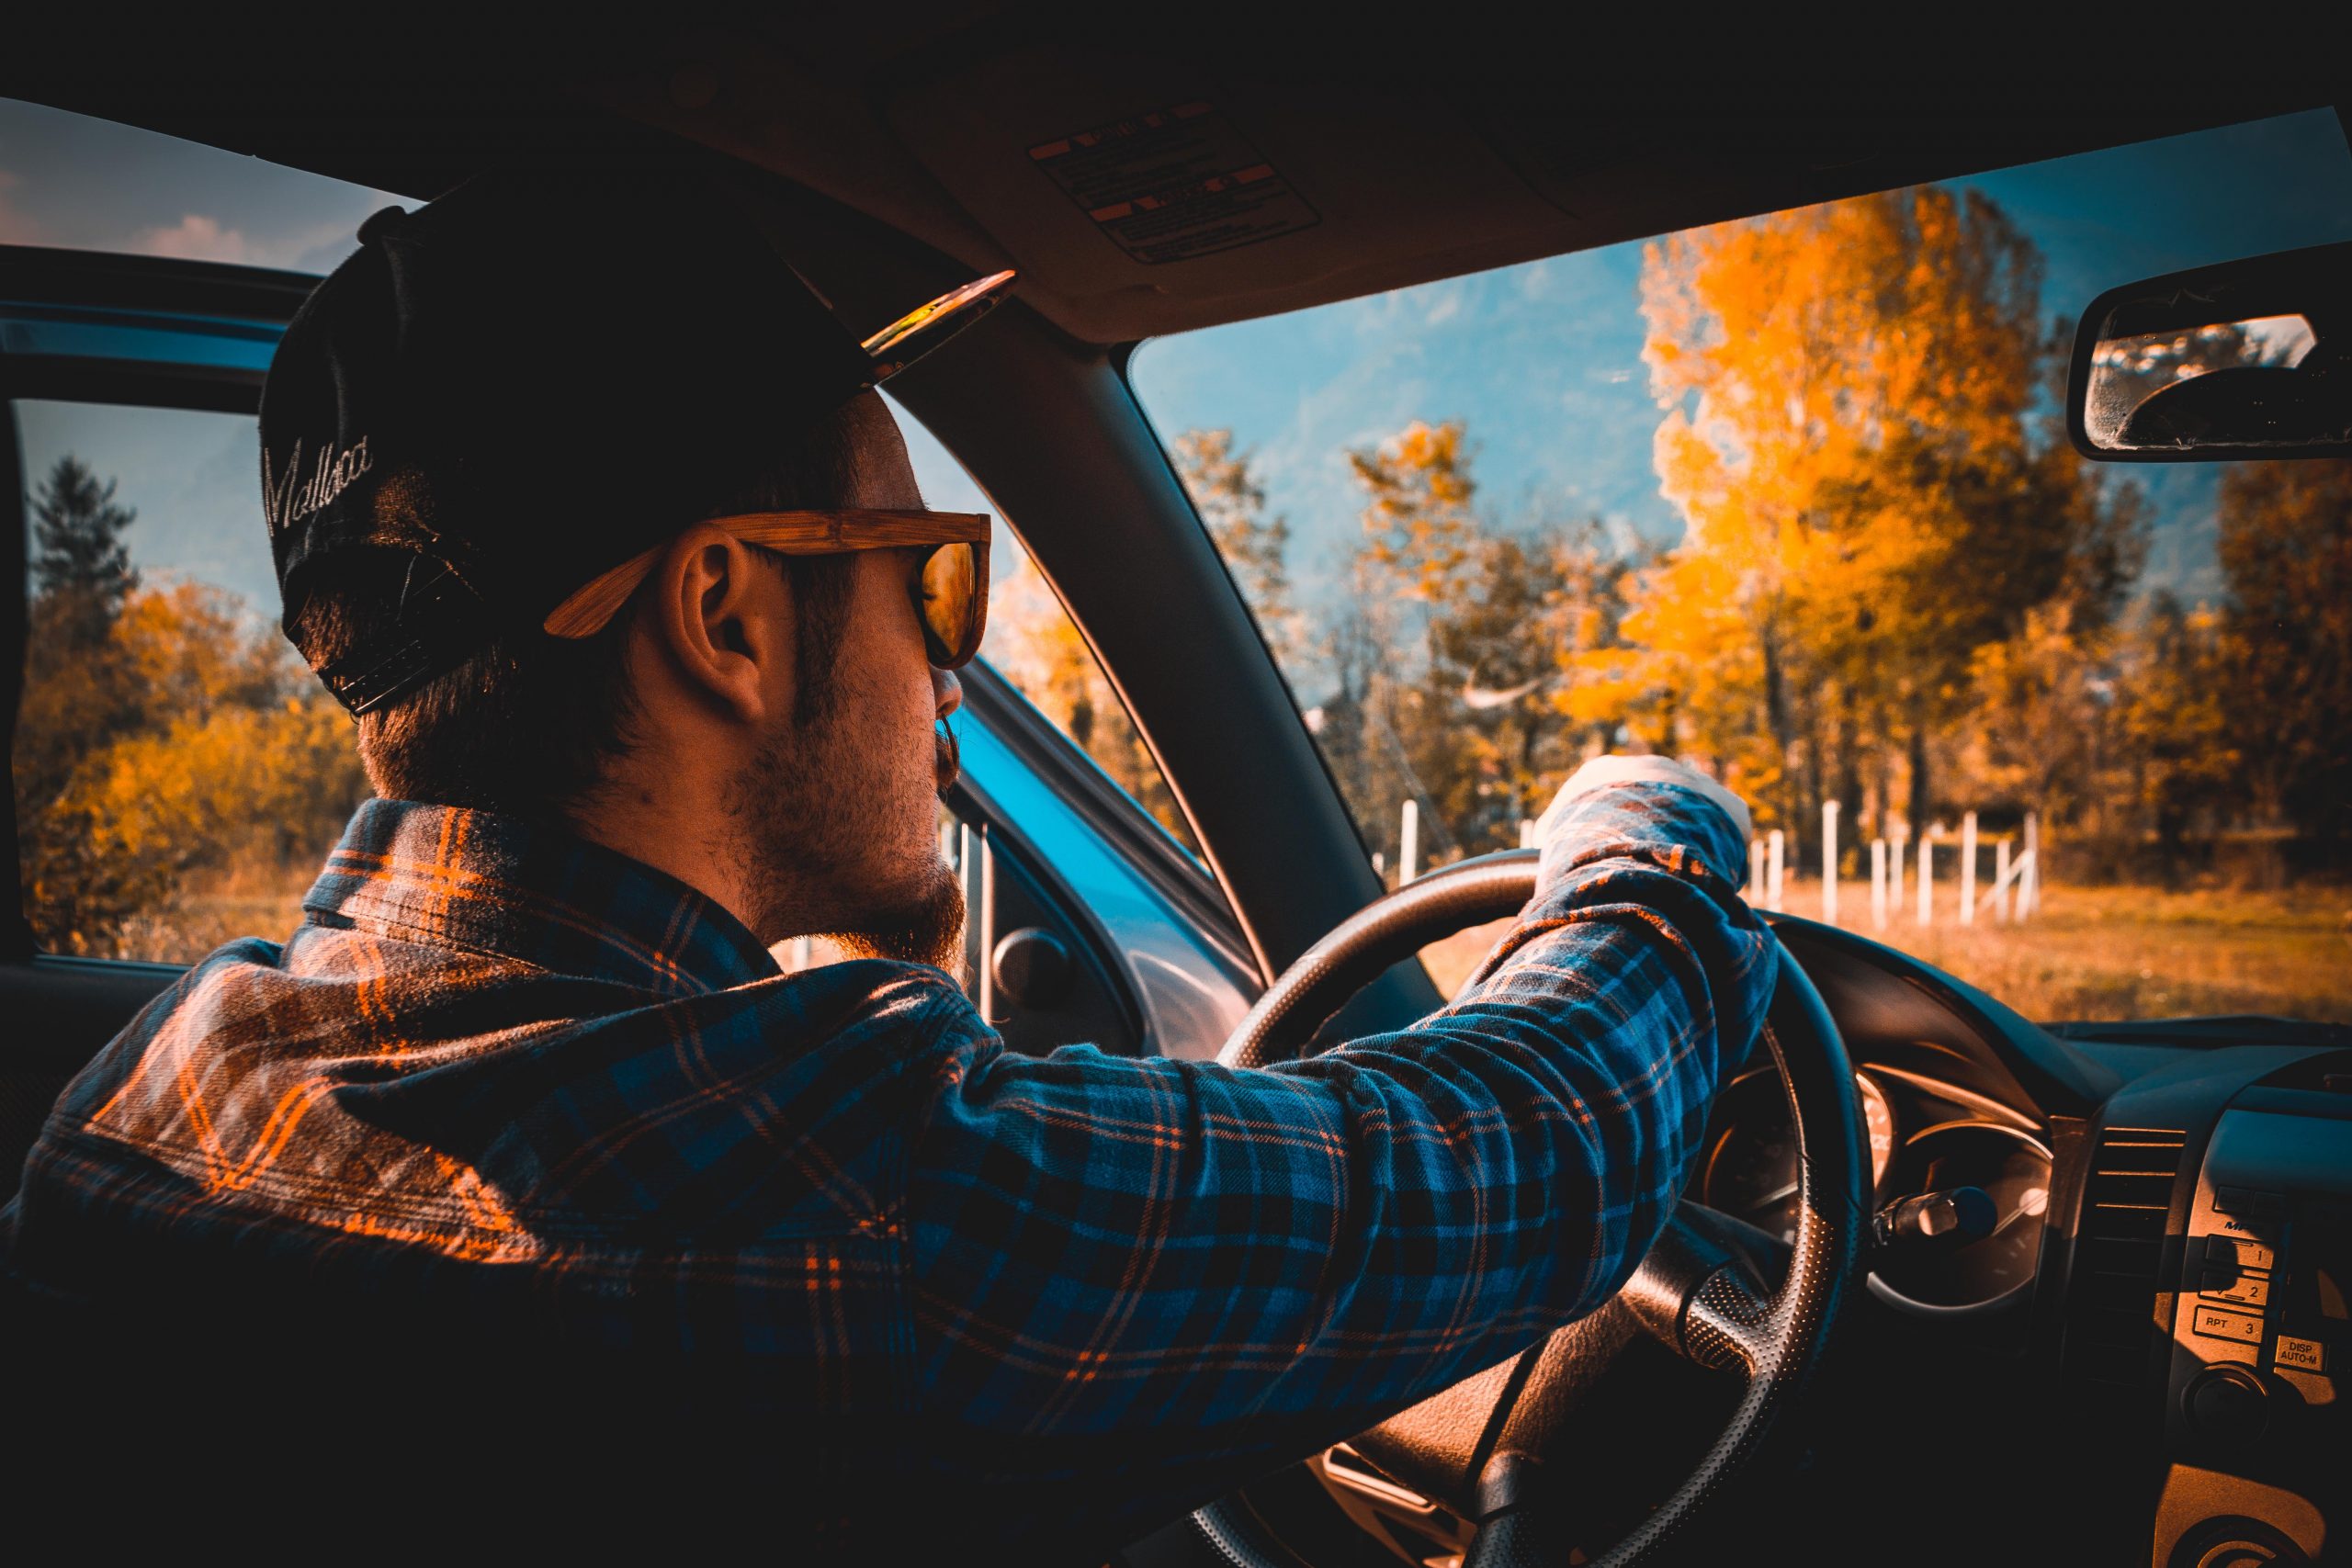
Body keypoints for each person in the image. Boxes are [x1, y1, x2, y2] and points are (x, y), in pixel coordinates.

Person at [0, 168, 1770, 1562]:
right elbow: (1541, 1146)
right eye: (926, 575)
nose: (953, 667)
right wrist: (1646, 834)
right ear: (728, 617)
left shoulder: (158, 1088)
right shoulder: (859, 1188)